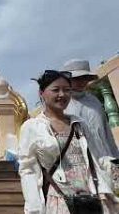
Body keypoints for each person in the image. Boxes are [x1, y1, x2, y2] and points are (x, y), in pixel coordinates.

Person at [18, 70, 117, 213]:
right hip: (61, 199)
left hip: (92, 195)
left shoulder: (79, 123)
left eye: (67, 90)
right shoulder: (32, 127)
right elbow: (28, 170)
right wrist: (34, 209)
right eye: (55, 90)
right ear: (41, 93)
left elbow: (99, 157)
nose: (62, 95)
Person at [62, 59, 119, 159]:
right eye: (77, 78)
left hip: (108, 158)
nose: (81, 82)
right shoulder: (62, 106)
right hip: (86, 165)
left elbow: (107, 134)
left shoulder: (94, 101)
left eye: (85, 78)